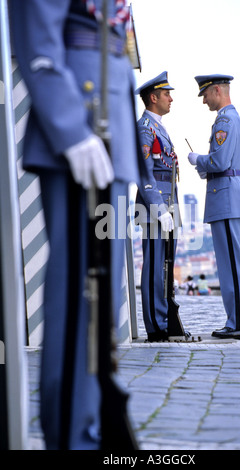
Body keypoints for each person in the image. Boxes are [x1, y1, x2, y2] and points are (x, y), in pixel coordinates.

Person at [11, 0, 144, 450]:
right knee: (79, 302)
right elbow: (38, 41)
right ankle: (73, 438)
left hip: (113, 135)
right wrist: (71, 128)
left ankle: (88, 430)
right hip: (83, 126)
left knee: (102, 302)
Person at [188, 74, 240, 341]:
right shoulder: (238, 121)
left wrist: (198, 160)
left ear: (217, 90)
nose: (204, 101)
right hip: (236, 196)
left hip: (224, 199)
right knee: (237, 263)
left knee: (231, 266)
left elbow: (219, 161)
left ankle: (238, 323)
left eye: (205, 94)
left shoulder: (224, 121)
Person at [135, 71, 180, 342]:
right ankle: (155, 325)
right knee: (155, 265)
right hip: (155, 208)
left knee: (165, 265)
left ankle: (163, 318)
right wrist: (158, 209)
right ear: (153, 98)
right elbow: (144, 173)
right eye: (166, 94)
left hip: (167, 205)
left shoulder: (158, 128)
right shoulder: (145, 128)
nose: (170, 99)